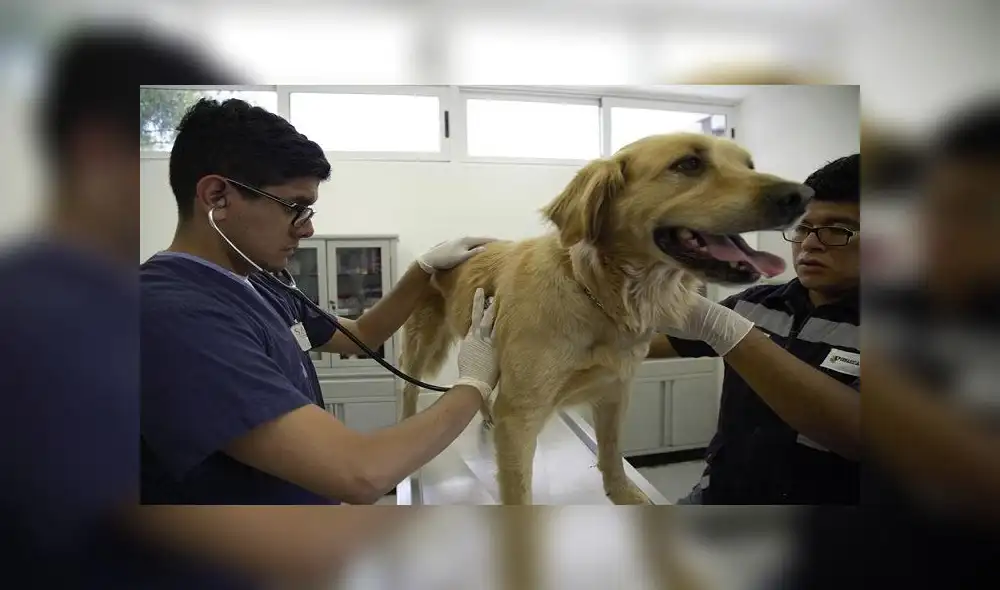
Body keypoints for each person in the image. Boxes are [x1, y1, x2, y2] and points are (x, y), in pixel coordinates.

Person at [140, 97, 499, 506]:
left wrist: (422, 270)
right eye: (296, 208)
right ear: (217, 196)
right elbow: (360, 472)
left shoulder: (260, 285)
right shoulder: (174, 317)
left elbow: (362, 335)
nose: (307, 229)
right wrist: (472, 385)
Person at [649, 154, 861, 505]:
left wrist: (728, 332)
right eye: (803, 228)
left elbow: (854, 434)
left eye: (838, 231)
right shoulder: (758, 303)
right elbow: (647, 344)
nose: (810, 243)